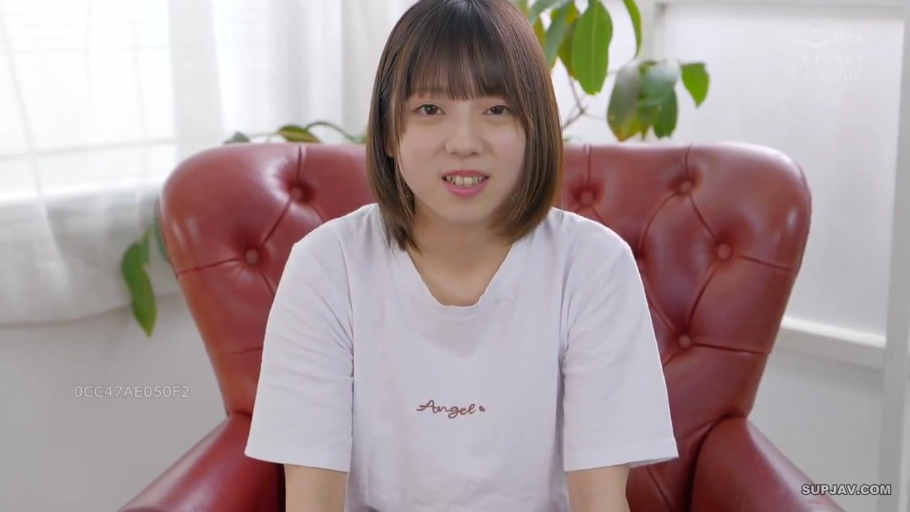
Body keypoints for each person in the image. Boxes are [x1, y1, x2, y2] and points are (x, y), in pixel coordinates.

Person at [244, 0, 678, 510]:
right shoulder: (327, 267)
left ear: (535, 129)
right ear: (387, 132)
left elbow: (599, 501)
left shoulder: (593, 266)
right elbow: (311, 503)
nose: (465, 142)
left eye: (497, 110)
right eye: (430, 109)